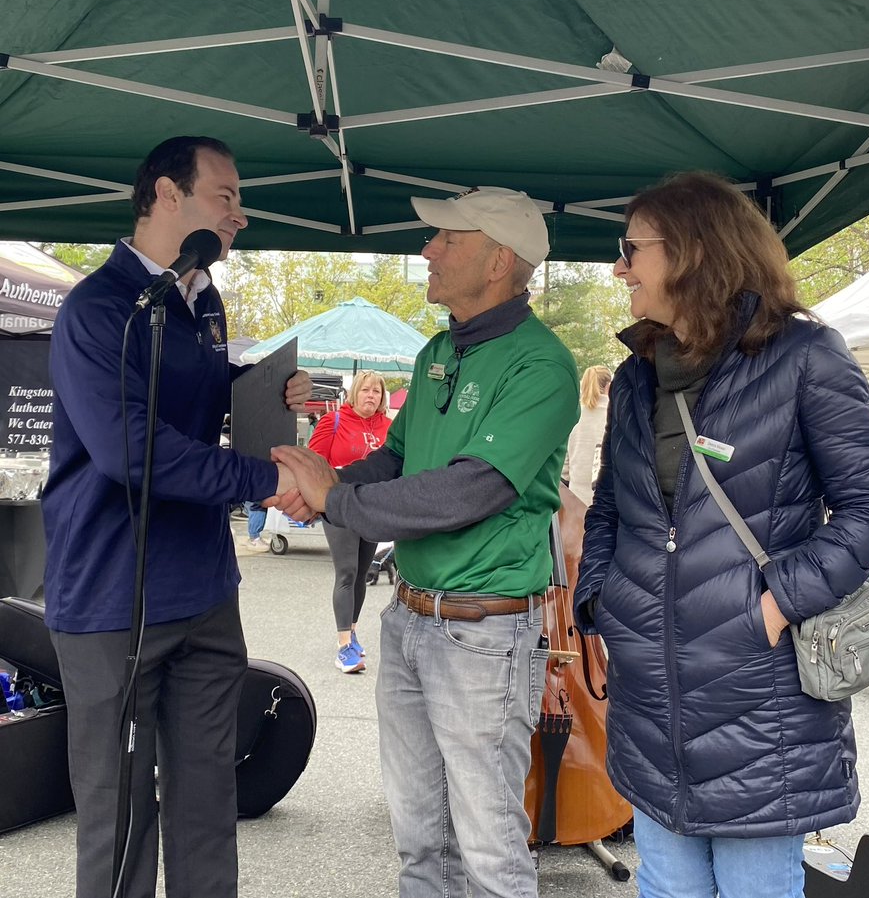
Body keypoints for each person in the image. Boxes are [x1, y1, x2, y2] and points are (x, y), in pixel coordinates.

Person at [572, 172, 869, 898]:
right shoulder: (636, 377)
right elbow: (609, 510)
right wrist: (598, 599)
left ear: (691, 250)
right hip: (649, 698)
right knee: (666, 886)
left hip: (762, 695)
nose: (619, 267)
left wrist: (774, 604)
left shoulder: (806, 356)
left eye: (631, 248)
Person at [272, 186, 578, 898]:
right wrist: (325, 477)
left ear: (499, 260)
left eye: (448, 238)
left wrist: (337, 498)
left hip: (484, 633)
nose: (427, 250)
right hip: (411, 617)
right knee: (419, 844)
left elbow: (469, 490)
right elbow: (399, 462)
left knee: (488, 848)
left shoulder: (542, 365)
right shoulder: (438, 349)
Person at [41, 135, 310, 898]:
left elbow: (188, 390)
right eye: (225, 197)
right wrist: (268, 479)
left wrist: (256, 388)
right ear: (167, 194)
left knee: (206, 807)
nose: (240, 217)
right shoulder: (97, 310)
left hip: (204, 595)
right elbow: (135, 449)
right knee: (121, 821)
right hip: (110, 602)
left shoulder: (205, 301)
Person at [306, 369, 391, 673]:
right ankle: (344, 647)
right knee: (346, 572)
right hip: (339, 505)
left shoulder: (389, 427)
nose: (371, 396)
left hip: (372, 508)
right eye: (366, 390)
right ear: (355, 393)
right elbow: (313, 464)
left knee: (362, 573)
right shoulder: (335, 421)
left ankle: (352, 632)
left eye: (377, 392)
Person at [562, 364, 611, 505]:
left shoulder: (572, 416)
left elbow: (564, 467)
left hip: (576, 500)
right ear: (609, 386)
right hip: (607, 504)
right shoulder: (616, 416)